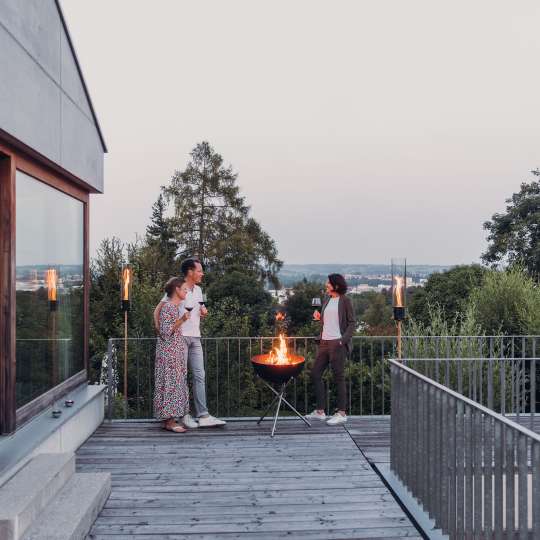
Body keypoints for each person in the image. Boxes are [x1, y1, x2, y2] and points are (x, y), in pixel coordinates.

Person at [154, 258, 226, 428]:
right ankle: (184, 415)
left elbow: (199, 310)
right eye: (199, 271)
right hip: (180, 338)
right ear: (190, 272)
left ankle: (203, 415)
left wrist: (203, 312)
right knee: (181, 376)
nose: (202, 273)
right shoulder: (178, 287)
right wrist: (160, 332)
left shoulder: (199, 290)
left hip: (195, 336)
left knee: (199, 375)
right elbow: (158, 310)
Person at [307, 273, 356, 426]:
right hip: (324, 343)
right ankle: (320, 412)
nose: (326, 284)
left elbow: (352, 323)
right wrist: (318, 317)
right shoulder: (327, 300)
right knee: (315, 374)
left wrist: (343, 341)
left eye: (328, 283)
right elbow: (327, 320)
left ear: (335, 285)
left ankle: (342, 413)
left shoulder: (345, 301)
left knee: (338, 378)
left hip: (337, 344)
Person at [154, 277, 190, 433]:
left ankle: (169, 420)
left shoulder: (174, 307)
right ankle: (169, 422)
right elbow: (165, 331)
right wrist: (182, 319)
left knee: (172, 383)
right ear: (177, 290)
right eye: (184, 289)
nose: (186, 292)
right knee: (170, 383)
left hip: (172, 351)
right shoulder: (169, 307)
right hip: (169, 352)